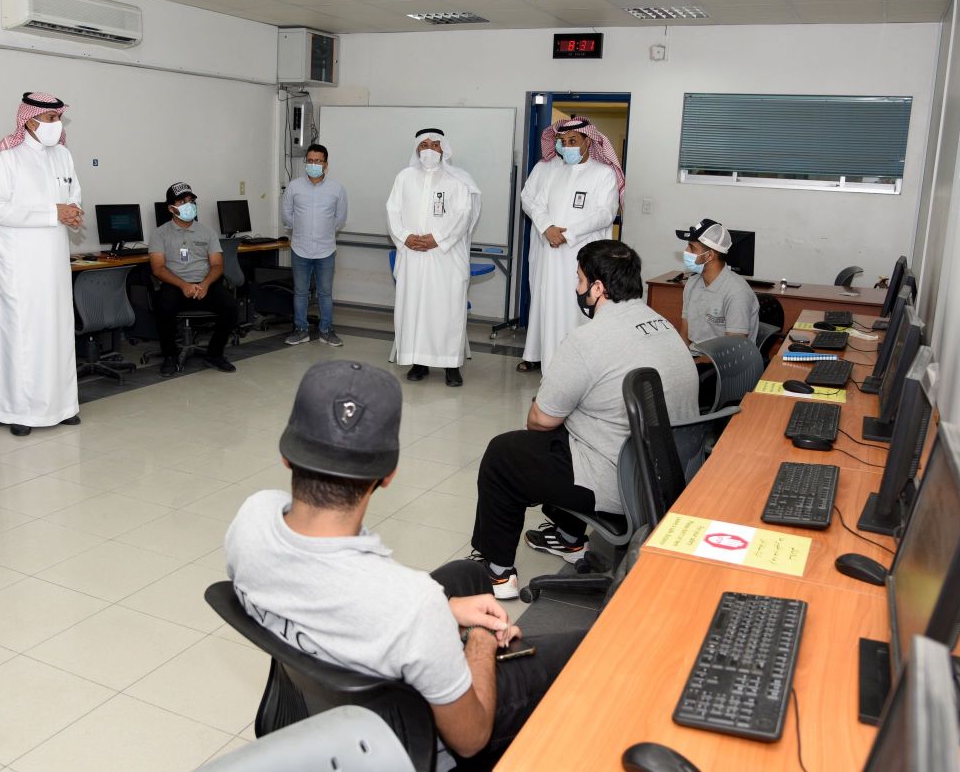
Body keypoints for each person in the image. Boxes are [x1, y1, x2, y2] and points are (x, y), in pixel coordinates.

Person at [225, 360, 585, 767]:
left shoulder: (253, 518)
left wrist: (444, 612)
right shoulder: (413, 605)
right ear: (389, 474)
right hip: (402, 741)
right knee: (589, 649)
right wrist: (480, 640)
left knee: (468, 575)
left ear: (286, 456)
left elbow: (328, 591)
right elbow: (470, 738)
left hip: (319, 705)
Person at [469, 240, 699, 599]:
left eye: (579, 280)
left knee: (505, 453)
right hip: (670, 475)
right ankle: (568, 537)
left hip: (623, 483)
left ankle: (497, 573)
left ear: (598, 288)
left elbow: (540, 420)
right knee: (575, 433)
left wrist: (555, 407)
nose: (577, 288)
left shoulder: (587, 340)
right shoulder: (663, 325)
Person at [0, 91, 82, 437]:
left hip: (54, 262)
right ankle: (20, 411)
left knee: (58, 331)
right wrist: (53, 212)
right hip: (20, 265)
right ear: (30, 121)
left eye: (59, 118)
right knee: (23, 335)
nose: (57, 125)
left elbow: (73, 194)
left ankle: (63, 406)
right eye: (51, 119)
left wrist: (72, 212)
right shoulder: (7, 157)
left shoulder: (63, 155)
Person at [518, 117, 623, 375]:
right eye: (563, 142)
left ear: (588, 141)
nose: (567, 146)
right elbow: (537, 204)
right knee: (552, 309)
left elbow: (605, 213)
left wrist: (568, 234)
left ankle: (579, 370)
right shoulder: (556, 172)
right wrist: (547, 228)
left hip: (582, 256)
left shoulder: (603, 173)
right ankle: (552, 368)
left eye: (573, 140)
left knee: (578, 309)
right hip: (552, 256)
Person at [386, 127, 477, 387]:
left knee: (447, 311)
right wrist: (405, 237)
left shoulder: (458, 179)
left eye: (434, 145)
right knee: (414, 310)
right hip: (412, 256)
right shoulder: (404, 177)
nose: (429, 150)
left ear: (443, 149)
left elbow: (463, 214)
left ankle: (451, 366)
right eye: (424, 145)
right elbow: (392, 210)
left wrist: (437, 238)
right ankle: (418, 362)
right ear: (417, 150)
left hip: (445, 257)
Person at [149, 181, 239, 376]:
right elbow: (158, 269)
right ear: (171, 208)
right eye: (182, 202)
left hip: (205, 283)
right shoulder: (160, 234)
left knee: (231, 307)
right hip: (175, 284)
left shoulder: (207, 232)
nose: (188, 205)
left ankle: (214, 354)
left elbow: (217, 265)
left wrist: (205, 284)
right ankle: (170, 356)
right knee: (162, 306)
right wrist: (183, 285)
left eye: (190, 201)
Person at [282, 143, 347, 347]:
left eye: (318, 161)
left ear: (325, 164)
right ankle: (301, 330)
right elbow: (287, 215)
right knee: (300, 292)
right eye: (310, 160)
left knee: (325, 293)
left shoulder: (337, 189)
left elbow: (340, 219)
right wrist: (302, 230)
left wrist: (323, 233)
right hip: (299, 248)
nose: (313, 164)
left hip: (325, 250)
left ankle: (326, 331)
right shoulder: (294, 187)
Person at [677, 218, 760, 346]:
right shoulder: (692, 283)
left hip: (722, 358)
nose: (686, 251)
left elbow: (734, 349)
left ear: (709, 255)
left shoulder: (737, 292)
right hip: (694, 355)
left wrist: (696, 359)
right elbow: (684, 335)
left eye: (692, 247)